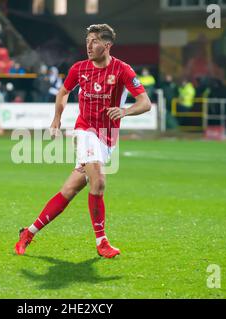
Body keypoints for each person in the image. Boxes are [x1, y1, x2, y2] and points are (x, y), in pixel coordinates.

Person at [14, 24, 151, 258]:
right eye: (87, 40)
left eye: (95, 41)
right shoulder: (79, 69)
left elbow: (145, 102)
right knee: (98, 183)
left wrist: (125, 112)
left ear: (107, 45)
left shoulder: (122, 70)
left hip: (107, 139)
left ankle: (29, 232)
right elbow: (63, 92)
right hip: (84, 131)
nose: (89, 45)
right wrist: (56, 119)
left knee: (70, 189)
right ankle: (102, 242)